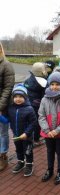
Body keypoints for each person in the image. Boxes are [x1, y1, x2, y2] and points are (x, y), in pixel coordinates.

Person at [38, 72, 60, 185]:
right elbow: (41, 116)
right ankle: (50, 170)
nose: (54, 87)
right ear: (49, 85)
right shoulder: (44, 99)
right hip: (48, 133)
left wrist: (57, 130)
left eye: (57, 84)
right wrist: (47, 131)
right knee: (50, 151)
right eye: (52, 84)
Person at [8, 84, 37, 176]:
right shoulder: (11, 108)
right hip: (16, 135)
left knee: (28, 150)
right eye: (15, 97)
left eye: (21, 96)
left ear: (25, 97)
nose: (18, 99)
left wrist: (26, 133)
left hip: (26, 136)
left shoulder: (29, 108)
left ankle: (29, 164)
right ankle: (20, 162)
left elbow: (33, 122)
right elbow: (8, 120)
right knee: (18, 149)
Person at [24, 62, 48, 146]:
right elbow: (45, 96)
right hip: (38, 105)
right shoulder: (44, 82)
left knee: (29, 121)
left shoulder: (28, 79)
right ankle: (36, 139)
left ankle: (28, 136)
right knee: (37, 122)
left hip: (27, 104)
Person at [0, 42, 15, 171]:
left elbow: (8, 88)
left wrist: (0, 106)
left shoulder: (6, 65)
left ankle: (2, 155)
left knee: (2, 132)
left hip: (2, 107)